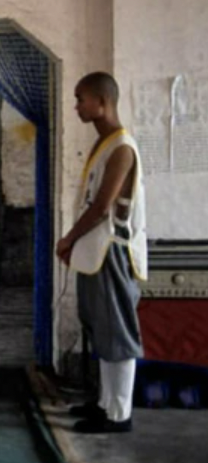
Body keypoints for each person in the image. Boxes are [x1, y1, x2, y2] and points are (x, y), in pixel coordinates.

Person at [56, 72, 146, 434]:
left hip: (112, 251)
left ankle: (119, 414)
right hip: (96, 252)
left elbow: (102, 208)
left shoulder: (122, 147)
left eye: (81, 99)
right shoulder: (104, 144)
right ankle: (105, 403)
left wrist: (68, 239)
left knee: (117, 331)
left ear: (102, 101)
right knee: (100, 327)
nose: (77, 105)